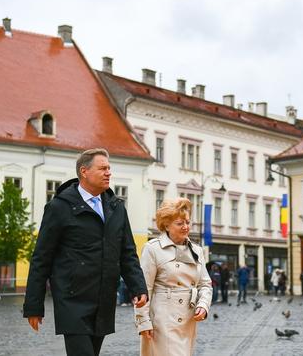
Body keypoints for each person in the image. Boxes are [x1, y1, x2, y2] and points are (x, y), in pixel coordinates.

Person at [23, 149, 148, 356]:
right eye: (102, 168)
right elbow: (41, 258)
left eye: (109, 168)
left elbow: (127, 253)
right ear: (84, 171)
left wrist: (138, 287)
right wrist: (33, 306)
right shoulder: (59, 207)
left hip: (104, 298)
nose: (108, 173)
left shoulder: (116, 208)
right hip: (72, 300)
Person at [135, 198, 212, 356]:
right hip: (162, 321)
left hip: (188, 320)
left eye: (188, 222)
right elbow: (143, 290)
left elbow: (205, 284)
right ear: (166, 225)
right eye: (179, 223)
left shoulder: (196, 251)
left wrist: (203, 305)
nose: (185, 227)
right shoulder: (152, 249)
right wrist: (143, 322)